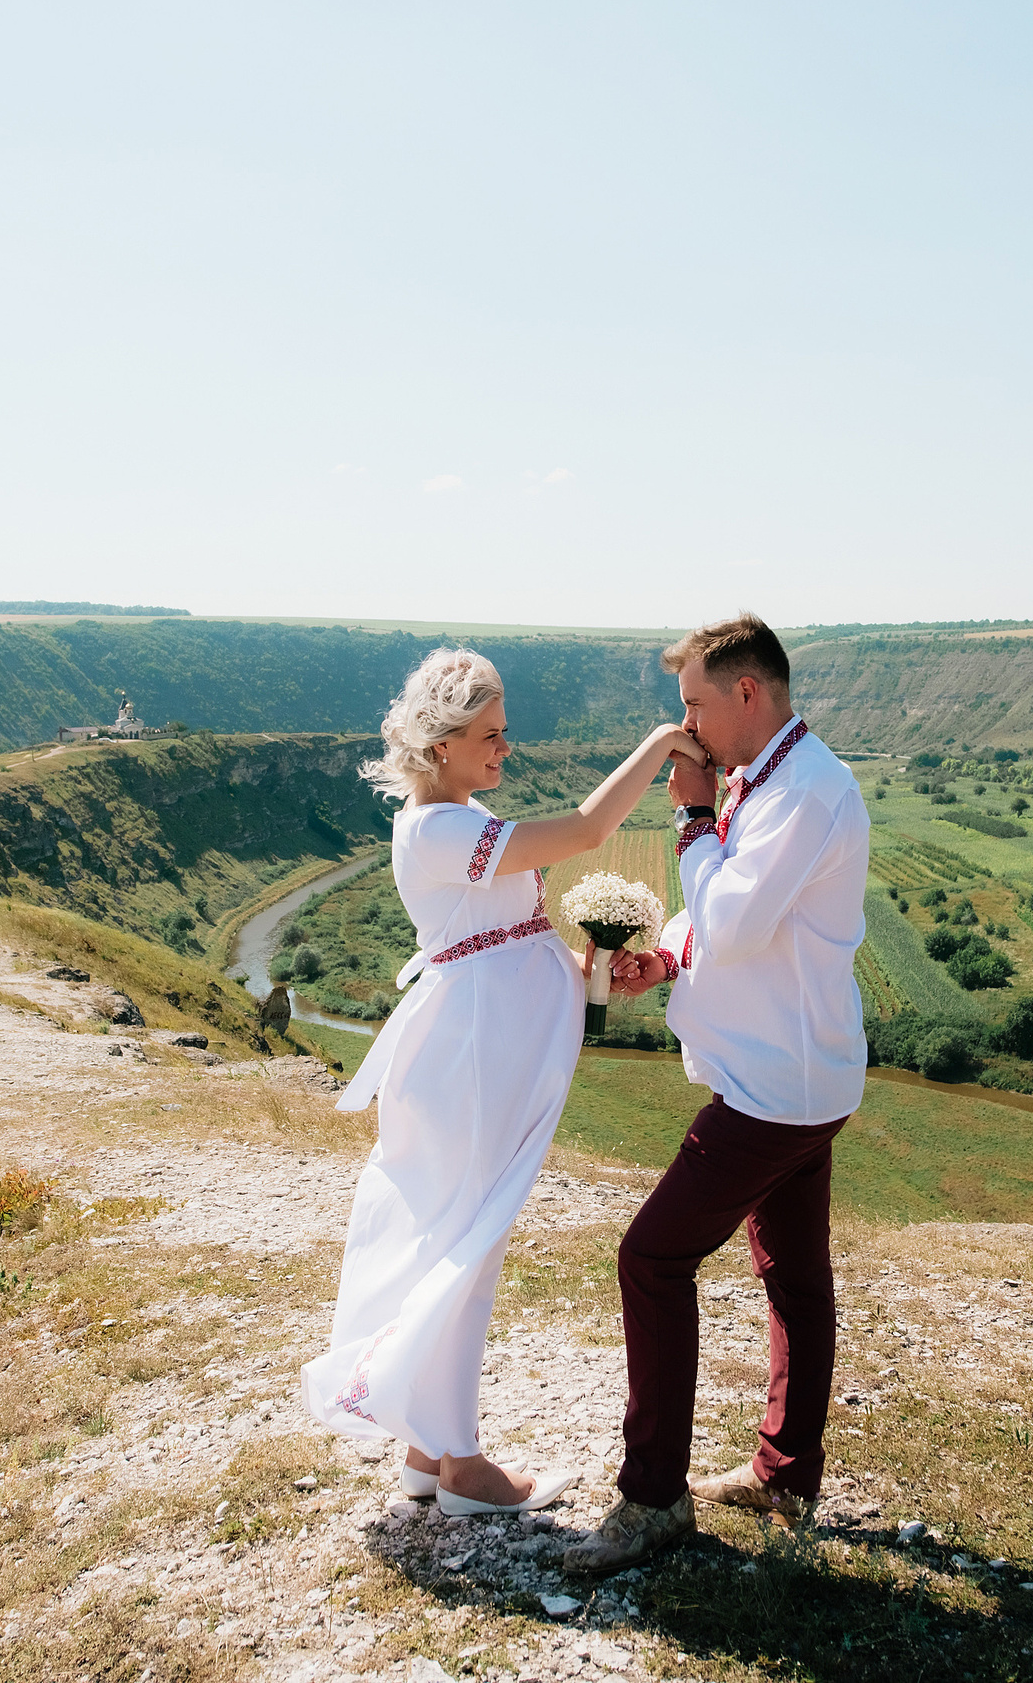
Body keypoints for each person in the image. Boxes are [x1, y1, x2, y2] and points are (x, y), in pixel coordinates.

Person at [302, 648, 710, 1516]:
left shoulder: (454, 818)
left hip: (483, 1043)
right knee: (469, 1239)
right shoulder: (440, 827)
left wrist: (585, 968)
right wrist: (661, 745)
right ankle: (464, 1469)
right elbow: (590, 831)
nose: (504, 750)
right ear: (442, 743)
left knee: (461, 1231)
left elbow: (498, 936)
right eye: (490, 735)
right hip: (475, 1054)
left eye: (506, 733)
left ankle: (429, 1449)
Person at [563, 613, 870, 1575]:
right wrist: (670, 958)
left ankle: (653, 1497)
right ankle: (787, 1472)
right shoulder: (773, 778)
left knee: (651, 1259)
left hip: (775, 1088)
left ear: (748, 693)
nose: (686, 725)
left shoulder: (807, 791)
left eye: (694, 703)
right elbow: (726, 917)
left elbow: (736, 918)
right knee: (793, 1276)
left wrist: (692, 814)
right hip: (796, 1072)